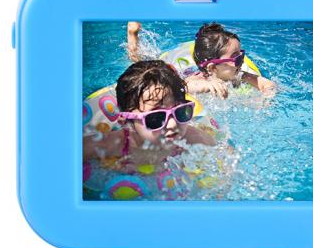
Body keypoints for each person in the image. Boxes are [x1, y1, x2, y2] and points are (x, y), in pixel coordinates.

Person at [83, 60, 216, 174]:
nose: (172, 124)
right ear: (126, 122)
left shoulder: (193, 139)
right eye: (156, 118)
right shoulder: (112, 144)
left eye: (180, 112)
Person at [127, 21, 276, 99]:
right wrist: (204, 86)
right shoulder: (197, 78)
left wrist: (267, 95)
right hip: (181, 73)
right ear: (212, 68)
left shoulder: (238, 75)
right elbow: (179, 88)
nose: (241, 61)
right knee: (142, 68)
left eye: (241, 55)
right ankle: (133, 37)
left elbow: (266, 84)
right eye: (235, 58)